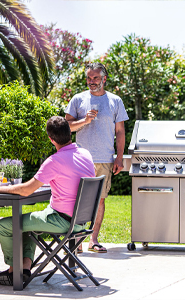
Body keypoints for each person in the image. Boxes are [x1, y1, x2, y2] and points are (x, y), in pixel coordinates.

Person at [0, 116, 95, 286]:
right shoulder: (85, 154)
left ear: (51, 140)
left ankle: (13, 272)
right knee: (26, 222)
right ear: (69, 133)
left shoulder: (54, 161)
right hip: (81, 221)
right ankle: (25, 268)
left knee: (3, 225)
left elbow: (26, 190)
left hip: (62, 221)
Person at [65, 62, 129, 253]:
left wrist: (119, 157)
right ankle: (75, 241)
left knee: (100, 200)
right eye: (89, 78)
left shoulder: (115, 101)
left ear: (104, 79)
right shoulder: (78, 99)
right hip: (80, 158)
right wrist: (85, 120)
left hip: (104, 158)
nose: (91, 82)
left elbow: (120, 131)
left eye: (95, 78)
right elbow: (67, 127)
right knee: (77, 199)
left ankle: (93, 239)